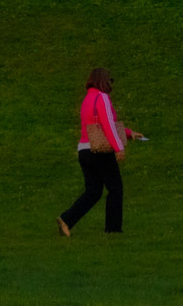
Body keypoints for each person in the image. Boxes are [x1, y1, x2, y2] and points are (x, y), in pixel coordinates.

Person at [58, 67, 144, 236]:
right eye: (109, 80)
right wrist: (119, 148)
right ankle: (113, 230)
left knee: (93, 191)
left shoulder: (87, 99)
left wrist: (129, 133)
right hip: (100, 151)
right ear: (103, 81)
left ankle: (66, 220)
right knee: (115, 188)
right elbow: (107, 125)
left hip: (84, 151)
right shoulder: (102, 97)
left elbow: (99, 125)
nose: (110, 84)